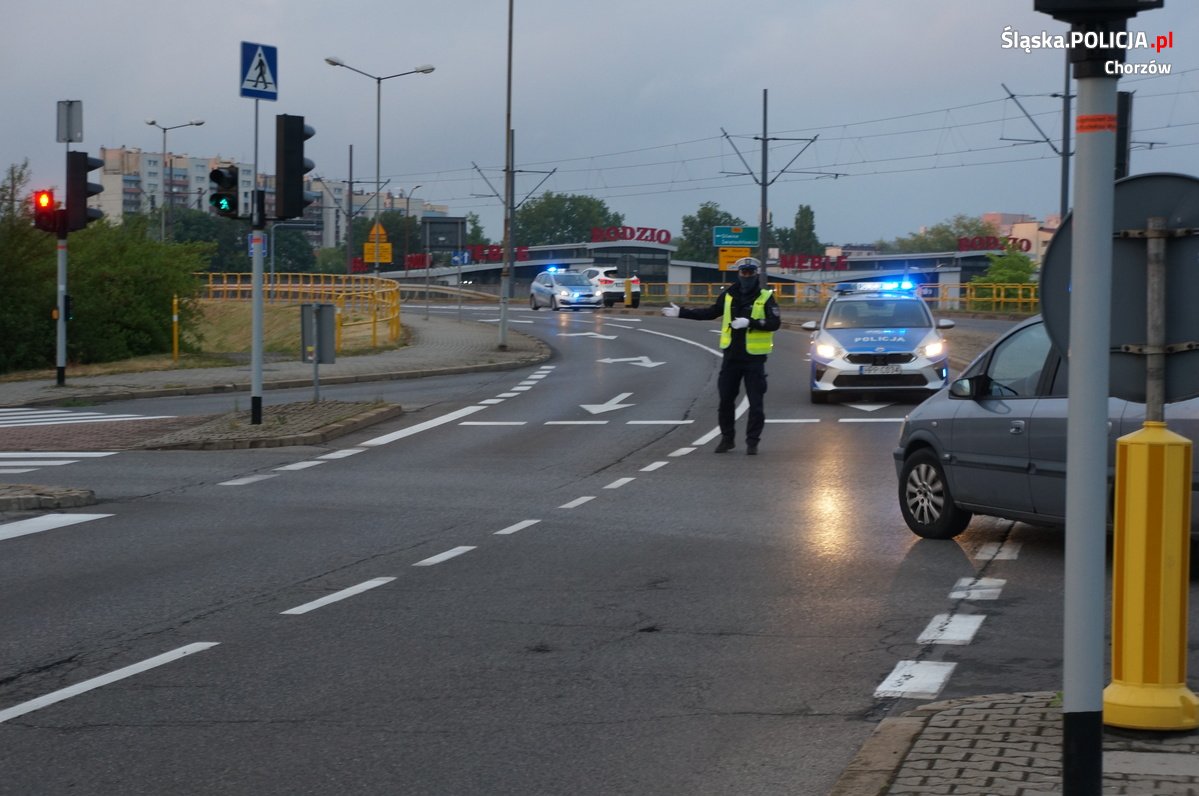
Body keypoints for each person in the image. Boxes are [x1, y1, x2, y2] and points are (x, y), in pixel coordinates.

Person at [661, 257, 781, 455]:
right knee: (725, 401)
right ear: (739, 273)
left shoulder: (766, 296)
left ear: (756, 274)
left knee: (756, 404)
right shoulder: (728, 295)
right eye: (744, 272)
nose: (747, 275)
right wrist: (682, 313)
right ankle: (727, 438)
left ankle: (752, 442)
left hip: (754, 360)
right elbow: (710, 312)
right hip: (732, 358)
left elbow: (774, 323)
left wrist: (750, 322)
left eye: (750, 272)